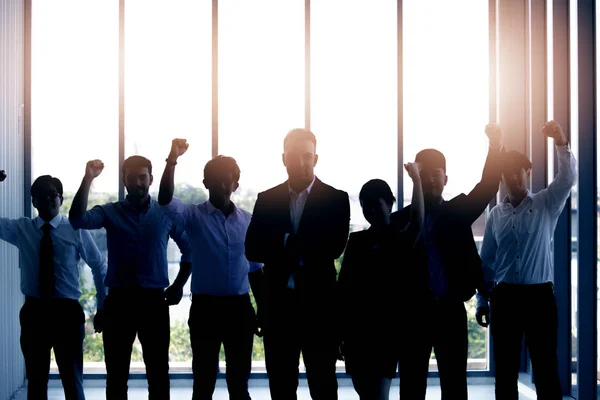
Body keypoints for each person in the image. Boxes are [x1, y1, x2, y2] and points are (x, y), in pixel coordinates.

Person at [394, 124, 504, 399]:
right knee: (411, 386)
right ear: (415, 178)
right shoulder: (401, 221)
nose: (431, 180)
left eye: (436, 175)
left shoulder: (458, 211)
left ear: (446, 179)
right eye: (424, 175)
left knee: (455, 386)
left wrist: (494, 147)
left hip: (450, 311)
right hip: (412, 314)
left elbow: (488, 186)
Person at [69, 156, 193, 400]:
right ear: (124, 180)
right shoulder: (109, 212)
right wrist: (88, 179)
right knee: (116, 375)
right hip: (119, 303)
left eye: (142, 177)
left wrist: (179, 285)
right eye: (132, 178)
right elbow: (77, 219)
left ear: (151, 179)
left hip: (154, 302)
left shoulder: (165, 213)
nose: (137, 183)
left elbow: (190, 249)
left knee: (158, 373)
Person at [245, 128, 350, 400]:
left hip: (319, 306)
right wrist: (297, 241)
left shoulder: (336, 199)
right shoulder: (266, 199)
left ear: (316, 159)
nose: (301, 162)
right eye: (294, 156)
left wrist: (280, 242)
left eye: (307, 156)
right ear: (283, 159)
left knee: (323, 385)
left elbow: (334, 247)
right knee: (280, 385)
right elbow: (252, 249)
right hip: (278, 306)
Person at [475, 120, 576, 399]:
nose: (512, 178)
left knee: (545, 369)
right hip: (505, 298)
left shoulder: (546, 204)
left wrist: (560, 142)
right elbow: (487, 262)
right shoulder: (496, 214)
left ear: (527, 172)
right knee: (505, 372)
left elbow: (568, 178)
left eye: (517, 172)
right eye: (506, 174)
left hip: (539, 297)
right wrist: (483, 301)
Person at [157, 139, 262, 400]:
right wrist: (172, 159)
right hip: (206, 310)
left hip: (240, 309)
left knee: (239, 382)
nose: (222, 185)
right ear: (206, 183)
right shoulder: (193, 217)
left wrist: (264, 310)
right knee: (203, 381)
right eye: (215, 180)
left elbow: (255, 270)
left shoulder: (248, 222)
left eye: (228, 181)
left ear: (236, 185)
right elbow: (164, 199)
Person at [0, 172, 107, 400]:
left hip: (66, 314)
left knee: (72, 381)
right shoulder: (22, 228)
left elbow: (99, 266)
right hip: (34, 313)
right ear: (33, 201)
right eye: (41, 195)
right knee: (36, 382)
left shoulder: (75, 230)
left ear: (61, 199)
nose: (47, 199)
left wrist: (103, 306)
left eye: (52, 194)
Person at [338, 166, 424, 400]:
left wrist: (417, 180)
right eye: (366, 205)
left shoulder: (399, 238)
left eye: (376, 204)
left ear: (390, 204)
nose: (371, 210)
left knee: (377, 395)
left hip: (385, 332)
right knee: (365, 393)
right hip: (357, 332)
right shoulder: (356, 241)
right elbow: (343, 289)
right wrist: (340, 333)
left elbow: (417, 221)